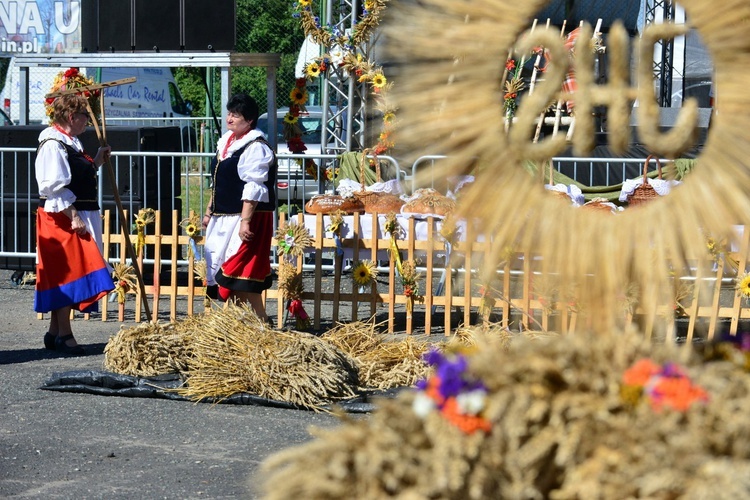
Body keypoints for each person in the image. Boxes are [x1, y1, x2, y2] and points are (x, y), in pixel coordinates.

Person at [34, 93, 113, 355]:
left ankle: (55, 332)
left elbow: (76, 176)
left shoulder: (71, 142)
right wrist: (75, 216)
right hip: (64, 218)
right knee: (70, 274)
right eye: (84, 117)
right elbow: (53, 187)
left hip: (75, 214)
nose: (87, 123)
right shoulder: (53, 144)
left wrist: (98, 161)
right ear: (71, 117)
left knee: (71, 273)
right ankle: (65, 334)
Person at [202, 93, 277, 323]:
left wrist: (245, 221)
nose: (230, 118)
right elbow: (218, 182)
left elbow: (254, 187)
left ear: (250, 120)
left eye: (236, 114)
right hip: (224, 216)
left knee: (239, 272)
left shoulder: (256, 146)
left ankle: (260, 321)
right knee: (228, 272)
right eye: (229, 113)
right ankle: (248, 323)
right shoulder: (226, 142)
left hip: (247, 216)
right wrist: (208, 211)